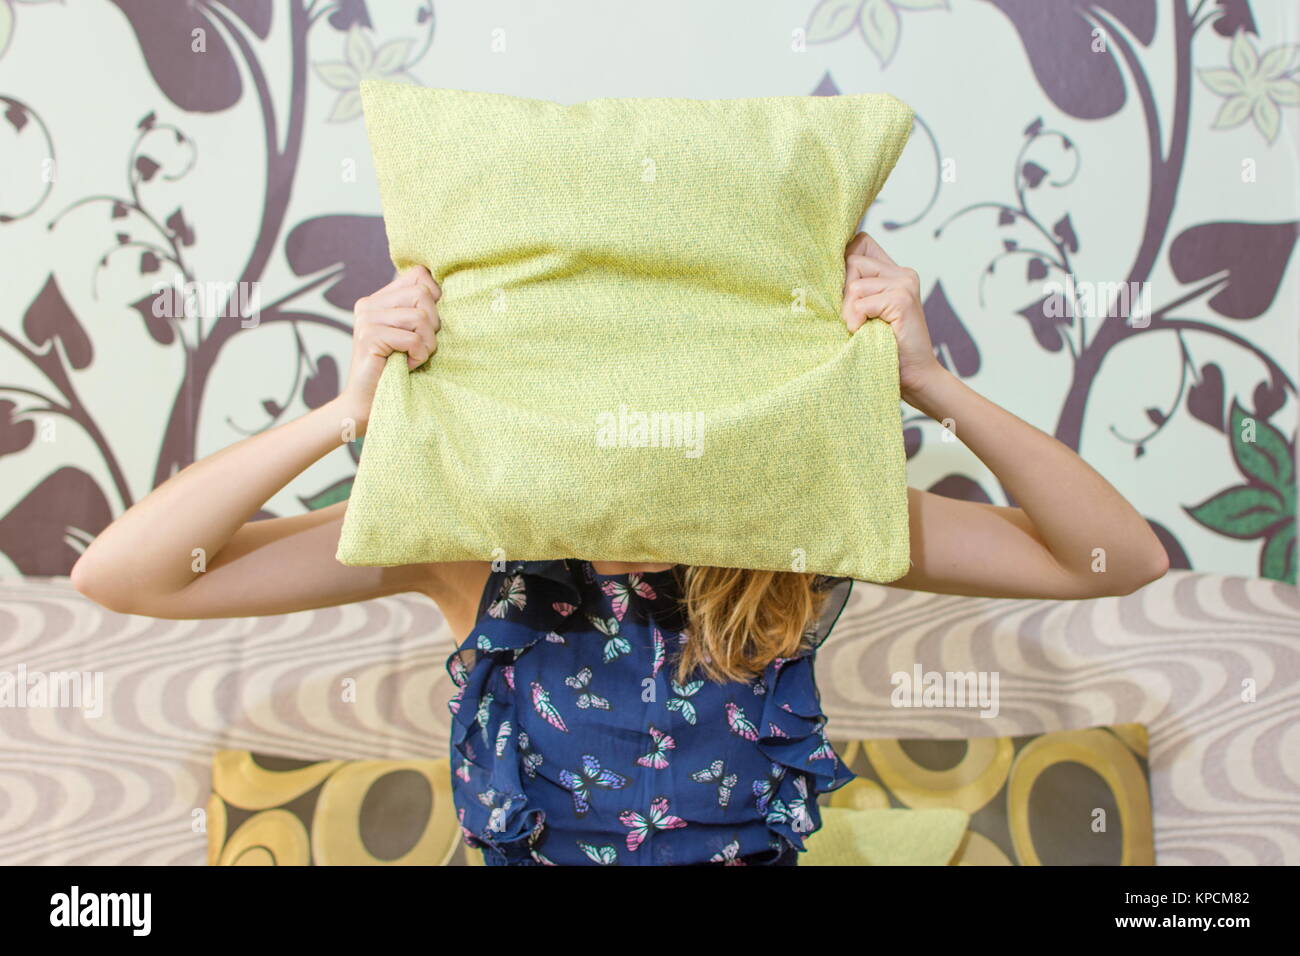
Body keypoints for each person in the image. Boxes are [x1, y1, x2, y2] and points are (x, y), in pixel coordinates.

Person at [69, 231, 1170, 866]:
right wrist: (343, 415)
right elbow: (125, 574)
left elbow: (1111, 559)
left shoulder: (799, 528)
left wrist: (929, 383)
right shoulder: (471, 545)